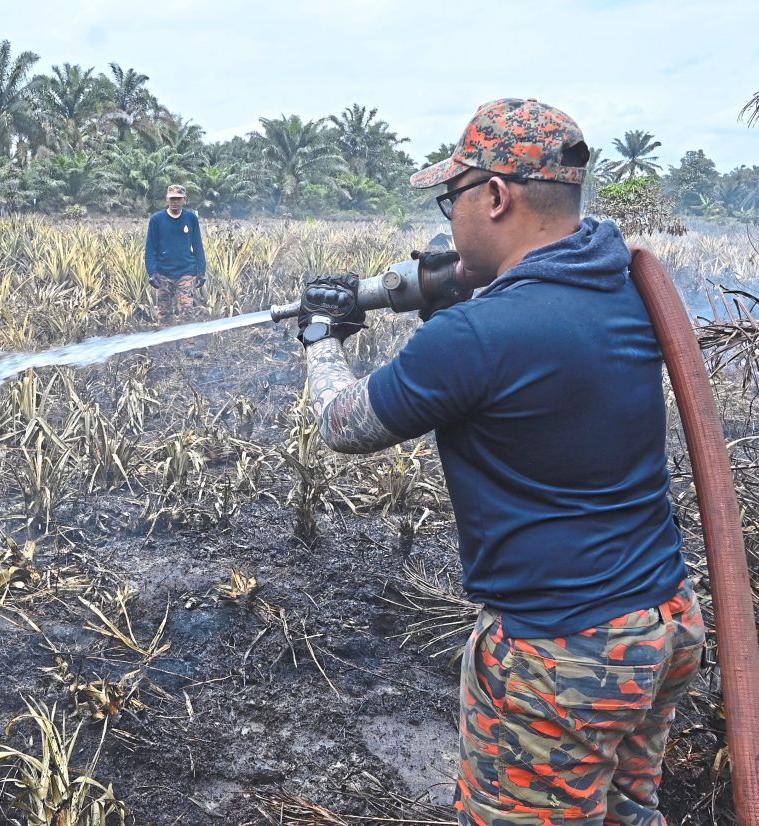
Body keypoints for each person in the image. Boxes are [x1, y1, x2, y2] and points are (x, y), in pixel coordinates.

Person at [294, 99, 703, 825]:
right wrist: (456, 289)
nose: (448, 221)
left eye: (453, 200)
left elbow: (344, 425)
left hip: (563, 653)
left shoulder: (478, 337)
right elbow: (533, 329)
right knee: (624, 813)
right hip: (662, 623)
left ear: (494, 197)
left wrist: (322, 339)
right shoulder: (621, 278)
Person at [145, 184, 207, 324]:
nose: (175, 202)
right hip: (163, 274)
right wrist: (152, 272)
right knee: (164, 313)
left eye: (178, 199)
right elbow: (150, 248)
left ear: (184, 200)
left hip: (186, 272)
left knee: (187, 310)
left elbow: (197, 245)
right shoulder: (157, 220)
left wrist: (201, 271)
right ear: (166, 199)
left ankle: (189, 345)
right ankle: (168, 345)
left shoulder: (191, 218)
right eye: (172, 198)